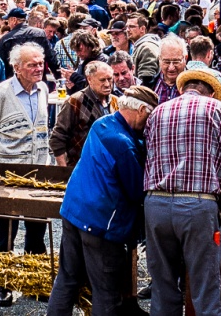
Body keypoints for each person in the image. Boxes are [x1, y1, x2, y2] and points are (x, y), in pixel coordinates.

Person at [47, 86, 158, 316]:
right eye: (149, 117)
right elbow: (137, 190)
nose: (149, 124)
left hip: (73, 212)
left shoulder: (102, 124)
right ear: (140, 110)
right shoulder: (123, 144)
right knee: (106, 292)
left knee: (67, 278)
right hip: (100, 224)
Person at [144, 68, 221, 316]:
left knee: (163, 285)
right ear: (210, 92)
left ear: (184, 88)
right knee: (205, 287)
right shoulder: (216, 109)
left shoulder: (158, 111)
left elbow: (147, 154)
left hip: (156, 204)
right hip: (197, 207)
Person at [0, 42, 51, 308]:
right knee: (6, 232)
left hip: (37, 175)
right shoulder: (2, 93)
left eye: (40, 63)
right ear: (17, 67)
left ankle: (34, 283)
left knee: (36, 231)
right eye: (32, 64)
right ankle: (4, 285)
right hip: (8, 175)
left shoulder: (43, 90)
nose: (38, 69)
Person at [50, 61, 116, 167]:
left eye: (110, 79)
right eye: (102, 80)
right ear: (89, 79)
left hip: (108, 169)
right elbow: (57, 139)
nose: (107, 84)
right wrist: (64, 171)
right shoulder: (75, 102)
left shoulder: (115, 102)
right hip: (81, 168)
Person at [154, 36, 188, 104]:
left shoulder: (194, 86)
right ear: (159, 59)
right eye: (167, 62)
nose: (171, 68)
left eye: (176, 62)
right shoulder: (149, 85)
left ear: (185, 58)